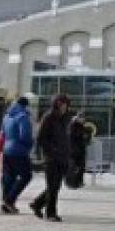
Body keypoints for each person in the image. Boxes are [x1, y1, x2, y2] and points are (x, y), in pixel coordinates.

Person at [31, 93, 71, 222]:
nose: (64, 107)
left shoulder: (64, 119)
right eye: (61, 104)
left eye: (65, 104)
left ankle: (37, 204)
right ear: (56, 104)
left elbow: (64, 138)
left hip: (62, 157)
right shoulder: (49, 117)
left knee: (55, 186)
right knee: (53, 186)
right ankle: (51, 213)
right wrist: (51, 150)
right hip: (51, 158)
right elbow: (41, 138)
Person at [0, 95, 35, 214]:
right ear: (26, 105)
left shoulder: (7, 116)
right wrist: (30, 145)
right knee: (26, 176)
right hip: (19, 151)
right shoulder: (23, 117)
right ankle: (9, 201)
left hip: (7, 150)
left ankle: (5, 203)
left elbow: (3, 133)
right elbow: (25, 135)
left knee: (8, 177)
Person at [66, 112, 93, 189]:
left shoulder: (82, 126)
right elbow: (75, 136)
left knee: (81, 166)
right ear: (78, 118)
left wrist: (87, 136)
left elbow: (86, 139)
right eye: (81, 118)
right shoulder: (73, 125)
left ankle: (78, 182)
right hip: (73, 150)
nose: (83, 120)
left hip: (80, 149)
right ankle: (71, 183)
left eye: (84, 118)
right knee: (72, 167)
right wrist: (83, 135)